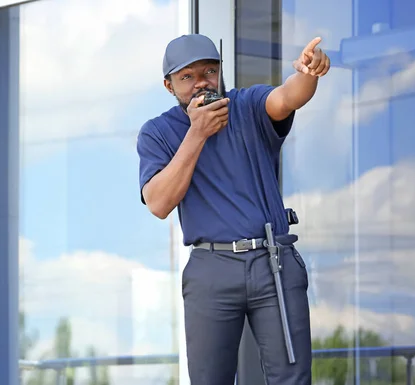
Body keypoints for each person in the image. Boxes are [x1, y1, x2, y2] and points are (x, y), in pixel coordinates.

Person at [136, 33, 330, 385]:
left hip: (272, 260)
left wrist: (308, 72)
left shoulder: (246, 104)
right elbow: (159, 203)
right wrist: (196, 134)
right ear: (169, 85)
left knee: (292, 378)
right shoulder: (158, 133)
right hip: (211, 267)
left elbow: (288, 96)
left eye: (209, 71)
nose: (201, 83)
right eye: (187, 77)